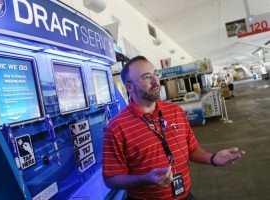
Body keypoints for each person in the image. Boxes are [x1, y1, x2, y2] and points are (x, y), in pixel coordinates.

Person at [102, 56, 245, 200]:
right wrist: (145, 179)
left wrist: (213, 158)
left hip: (185, 194)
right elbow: (111, 179)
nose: (155, 81)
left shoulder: (175, 111)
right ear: (129, 87)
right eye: (146, 77)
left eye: (155, 74)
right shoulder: (116, 128)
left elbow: (192, 149)